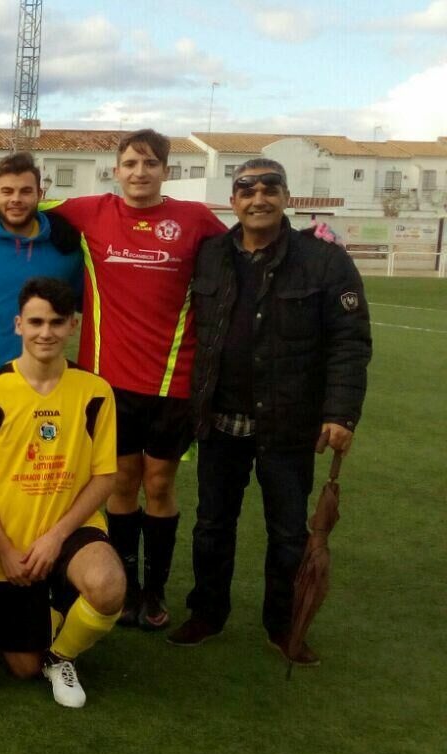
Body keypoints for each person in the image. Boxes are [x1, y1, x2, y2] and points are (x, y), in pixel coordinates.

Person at [168, 159, 371, 665]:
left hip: (288, 424)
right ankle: (207, 614)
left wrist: (342, 414)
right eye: (247, 190)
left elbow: (350, 342)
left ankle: (282, 626)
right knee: (212, 525)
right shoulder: (210, 255)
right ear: (233, 200)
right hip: (218, 420)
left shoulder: (324, 261)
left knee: (287, 532)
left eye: (269, 189)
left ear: (286, 196)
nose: (258, 198)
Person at [49, 130, 228, 630]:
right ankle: (125, 588)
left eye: (149, 163)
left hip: (174, 381)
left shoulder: (194, 221)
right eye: (130, 163)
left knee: (160, 483)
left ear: (166, 170)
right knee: (121, 483)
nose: (139, 172)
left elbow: (241, 251)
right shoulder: (90, 210)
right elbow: (21, 201)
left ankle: (155, 590)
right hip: (109, 383)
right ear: (116, 169)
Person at [0, 277, 124, 709]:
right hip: (8, 542)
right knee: (21, 667)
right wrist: (6, 549)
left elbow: (104, 478)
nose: (46, 332)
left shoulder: (96, 391)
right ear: (18, 325)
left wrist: (56, 537)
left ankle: (61, 656)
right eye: (36, 322)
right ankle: (53, 618)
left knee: (108, 586)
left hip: (70, 531)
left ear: (73, 326)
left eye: (56, 322)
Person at [0, 153, 84, 400]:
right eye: (7, 191)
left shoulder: (67, 250)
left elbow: (88, 304)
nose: (16, 199)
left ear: (40, 196)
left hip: (47, 392)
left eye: (25, 191)